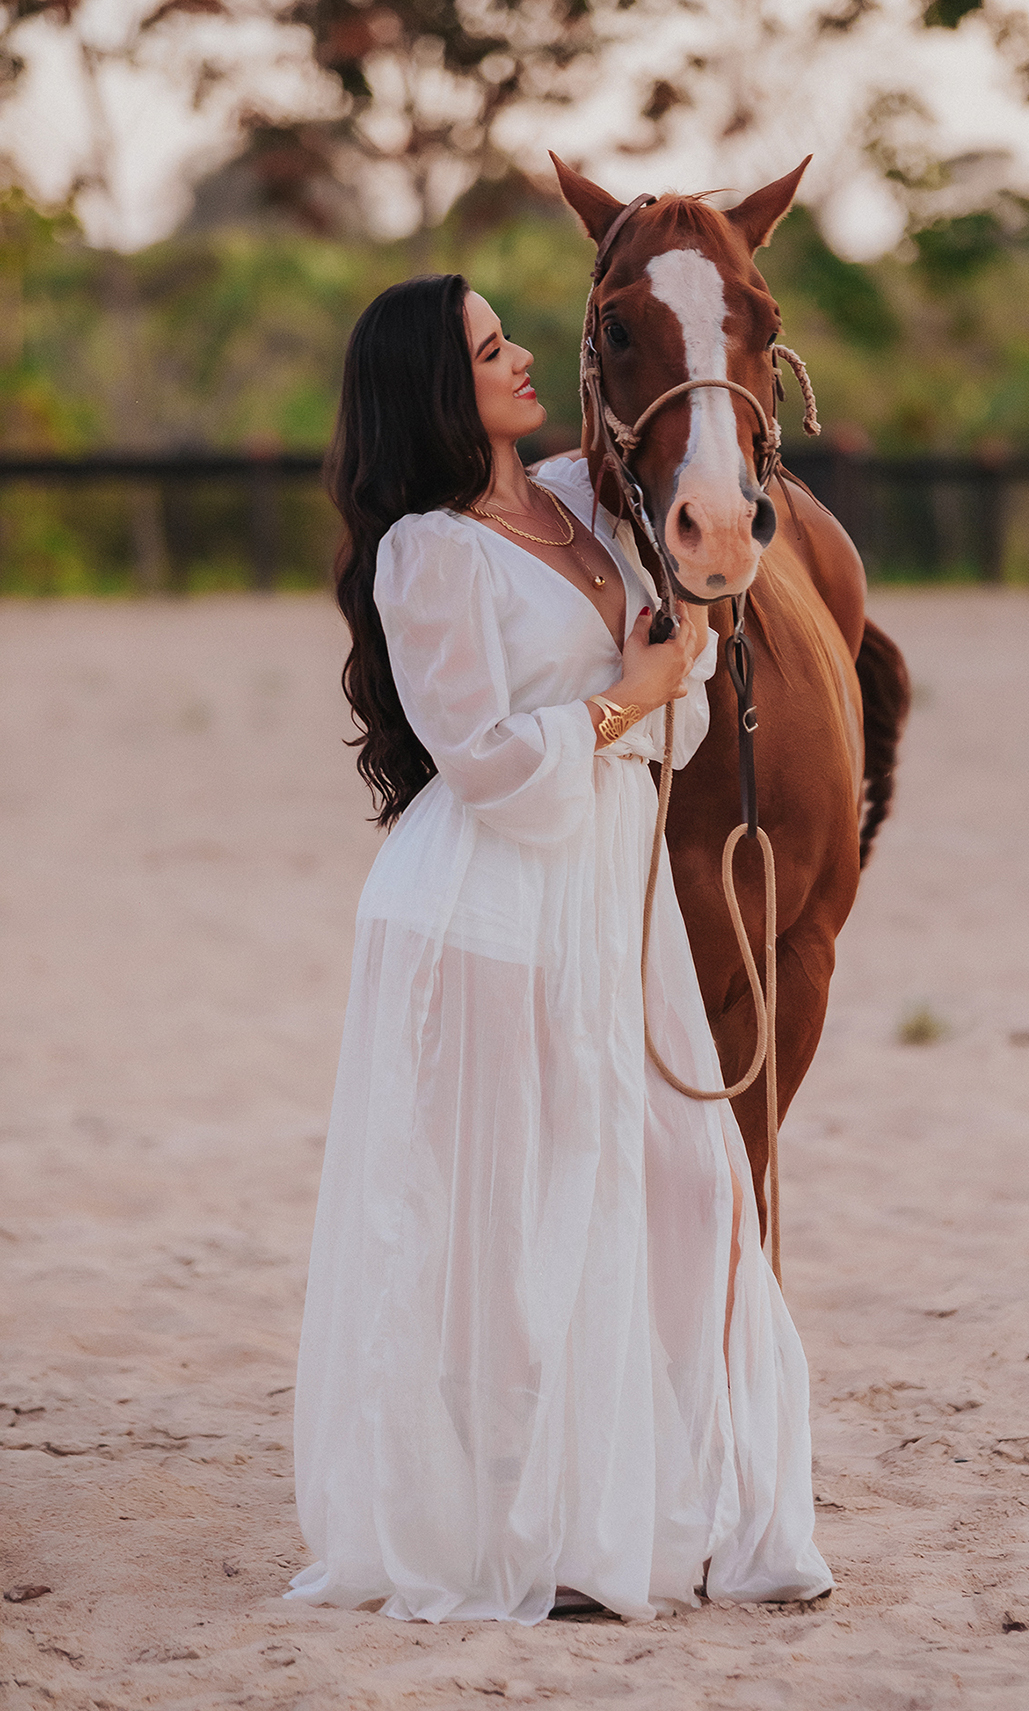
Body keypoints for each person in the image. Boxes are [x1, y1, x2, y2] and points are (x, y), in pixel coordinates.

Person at [286, 272, 833, 1625]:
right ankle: (543, 1530)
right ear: (434, 386)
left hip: (599, 892)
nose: (523, 355)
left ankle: (681, 1502)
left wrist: (680, 654)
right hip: (487, 903)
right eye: (488, 347)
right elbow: (477, 760)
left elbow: (676, 671)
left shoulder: (584, 504)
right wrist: (627, 698)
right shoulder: (429, 551)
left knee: (694, 1192)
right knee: (520, 1227)